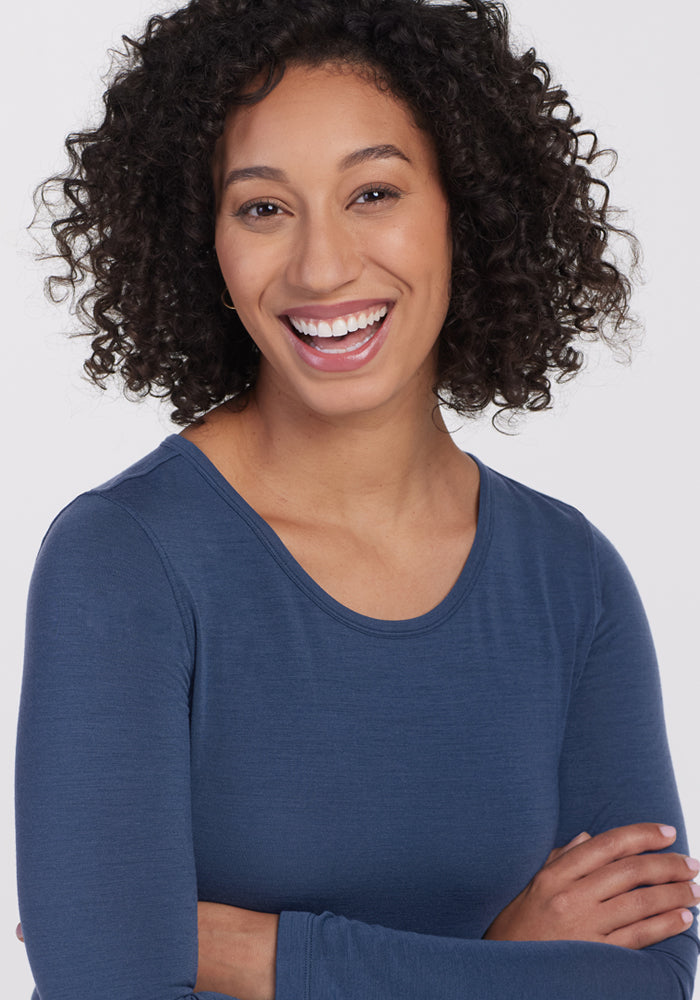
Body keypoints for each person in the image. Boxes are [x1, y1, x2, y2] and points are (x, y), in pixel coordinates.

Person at [14, 0, 698, 997]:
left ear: (464, 207)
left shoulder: (568, 577)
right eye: (262, 207)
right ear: (202, 241)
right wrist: (501, 972)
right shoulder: (124, 561)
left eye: (372, 192)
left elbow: (649, 982)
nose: (322, 265)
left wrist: (257, 956)